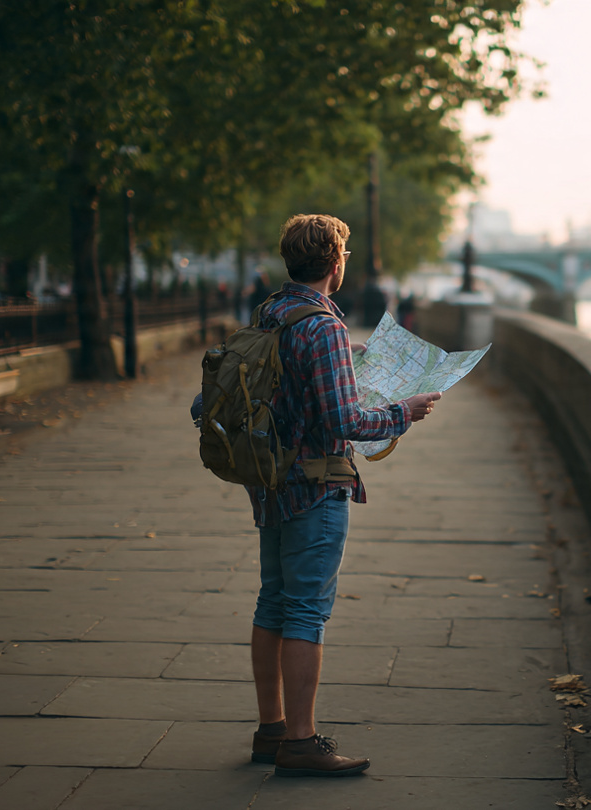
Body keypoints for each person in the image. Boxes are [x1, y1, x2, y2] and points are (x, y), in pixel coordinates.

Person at [243, 214, 441, 777]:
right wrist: (404, 412)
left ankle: (271, 729)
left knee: (272, 601)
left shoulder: (272, 312)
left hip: (272, 480)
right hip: (316, 483)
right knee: (306, 611)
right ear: (336, 263)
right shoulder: (323, 326)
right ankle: (302, 743)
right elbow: (344, 421)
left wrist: (344, 358)